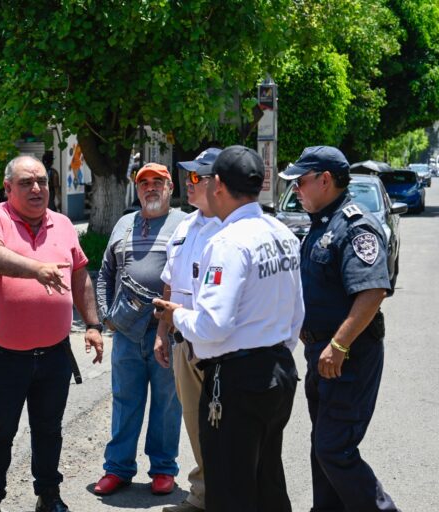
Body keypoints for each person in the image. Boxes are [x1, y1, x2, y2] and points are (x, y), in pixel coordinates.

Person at [153, 145, 305, 512]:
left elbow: (212, 326)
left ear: (217, 184)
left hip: (238, 380)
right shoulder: (281, 232)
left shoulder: (227, 242)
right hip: (278, 372)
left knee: (229, 489)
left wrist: (177, 315)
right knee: (267, 479)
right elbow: (297, 313)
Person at [0, 155, 104, 512]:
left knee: (49, 430)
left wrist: (92, 324)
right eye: (27, 182)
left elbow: (79, 275)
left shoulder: (62, 223)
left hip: (55, 354)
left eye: (42, 181)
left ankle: (49, 494)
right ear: (8, 187)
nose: (37, 189)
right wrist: (37, 270)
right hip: (3, 355)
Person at [279, 146, 400, 511]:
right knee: (323, 444)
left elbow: (373, 290)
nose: (296, 189)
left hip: (349, 356)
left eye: (300, 182)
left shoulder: (355, 225)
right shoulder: (321, 224)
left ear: (325, 180)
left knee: (335, 447)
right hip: (323, 354)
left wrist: (339, 344)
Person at [93, 163, 184, 496]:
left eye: (157, 182)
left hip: (168, 332)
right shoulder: (123, 223)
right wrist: (105, 317)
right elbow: (104, 274)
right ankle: (118, 469)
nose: (150, 188)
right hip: (127, 334)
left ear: (170, 186)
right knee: (124, 401)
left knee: (167, 403)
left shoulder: (184, 224)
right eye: (143, 182)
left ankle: (163, 469)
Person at [154, 148, 222, 512]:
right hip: (183, 343)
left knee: (224, 429)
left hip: (218, 346)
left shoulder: (232, 229)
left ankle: (228, 496)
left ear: (217, 183)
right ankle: (203, 496)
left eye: (196, 177)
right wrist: (162, 333)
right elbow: (170, 286)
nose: (188, 183)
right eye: (187, 176)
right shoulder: (185, 225)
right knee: (195, 427)